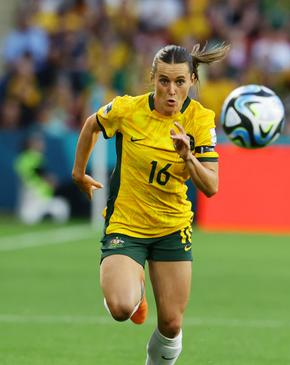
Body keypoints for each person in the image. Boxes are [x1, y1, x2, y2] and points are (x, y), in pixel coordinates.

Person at [71, 43, 228, 364]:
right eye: (164, 81)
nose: (171, 90)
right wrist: (79, 173)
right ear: (153, 79)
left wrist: (188, 157)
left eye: (180, 82)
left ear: (193, 81)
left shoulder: (200, 120)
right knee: (120, 308)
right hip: (126, 225)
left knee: (171, 324)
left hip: (172, 228)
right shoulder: (128, 110)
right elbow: (91, 124)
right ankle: (136, 290)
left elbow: (211, 186)